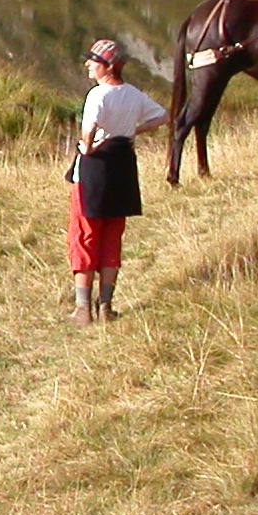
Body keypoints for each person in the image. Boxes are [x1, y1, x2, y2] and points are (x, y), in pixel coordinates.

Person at [67, 39, 169, 325]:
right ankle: (106, 307)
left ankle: (83, 309)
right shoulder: (134, 95)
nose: (88, 63)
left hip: (95, 170)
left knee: (85, 236)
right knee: (112, 238)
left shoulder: (97, 95)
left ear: (108, 66)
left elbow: (88, 133)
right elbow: (163, 116)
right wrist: (134, 130)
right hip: (122, 168)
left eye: (93, 60)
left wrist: (88, 147)